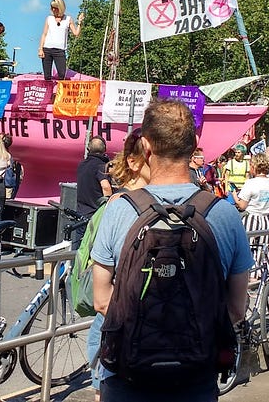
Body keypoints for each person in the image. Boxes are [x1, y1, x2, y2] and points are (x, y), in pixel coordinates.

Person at [90, 99, 252, 401]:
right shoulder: (224, 215)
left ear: (146, 147)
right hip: (196, 377)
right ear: (194, 145)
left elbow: (101, 301)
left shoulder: (119, 209)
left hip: (128, 376)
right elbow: (236, 309)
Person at [85, 128, 151, 402]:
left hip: (120, 309)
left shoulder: (118, 204)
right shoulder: (193, 204)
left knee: (98, 336)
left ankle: (101, 389)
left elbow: (102, 298)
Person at [230, 152, 269, 267]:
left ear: (255, 166)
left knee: (248, 247)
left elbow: (242, 205)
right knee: (262, 247)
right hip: (266, 218)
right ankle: (259, 270)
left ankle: (249, 272)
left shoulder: (251, 183)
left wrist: (235, 195)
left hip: (252, 218)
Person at [75, 135, 112, 249]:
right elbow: (105, 187)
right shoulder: (101, 166)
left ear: (88, 149)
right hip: (95, 216)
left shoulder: (81, 165)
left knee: (79, 251)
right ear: (105, 149)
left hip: (81, 213)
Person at [37, 0, 83, 81]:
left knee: (62, 74)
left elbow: (76, 33)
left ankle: (60, 92)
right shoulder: (49, 19)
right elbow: (44, 34)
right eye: (52, 7)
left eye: (55, 8)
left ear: (60, 7)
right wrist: (40, 49)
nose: (53, 9)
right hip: (47, 49)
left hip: (60, 50)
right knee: (47, 76)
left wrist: (79, 23)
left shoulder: (68, 19)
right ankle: (49, 92)